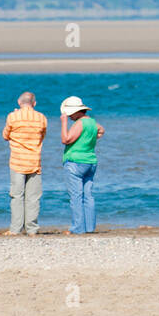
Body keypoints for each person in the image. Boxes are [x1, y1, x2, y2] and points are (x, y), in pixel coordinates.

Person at [2, 91, 48, 235]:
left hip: (17, 161)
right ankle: (32, 229)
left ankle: (15, 229)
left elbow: (5, 136)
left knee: (17, 196)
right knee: (33, 198)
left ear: (19, 102)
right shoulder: (41, 118)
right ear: (34, 103)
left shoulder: (12, 117)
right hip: (34, 161)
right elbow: (42, 136)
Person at [60, 96, 104, 235]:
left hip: (75, 162)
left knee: (76, 196)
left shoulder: (79, 123)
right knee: (88, 195)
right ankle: (89, 227)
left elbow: (65, 139)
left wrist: (64, 123)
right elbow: (101, 130)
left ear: (77, 112)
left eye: (70, 113)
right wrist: (89, 140)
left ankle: (77, 228)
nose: (69, 116)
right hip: (90, 161)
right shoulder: (92, 122)